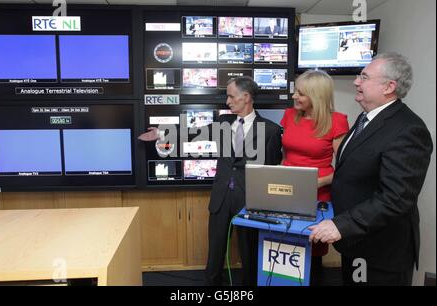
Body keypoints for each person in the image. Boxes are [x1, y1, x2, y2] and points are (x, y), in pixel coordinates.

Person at [139, 76, 282, 286]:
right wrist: (161, 133)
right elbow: (196, 133)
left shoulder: (270, 130)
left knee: (249, 252)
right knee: (215, 250)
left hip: (249, 201)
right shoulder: (224, 122)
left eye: (231, 96)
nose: (227, 101)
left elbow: (271, 169)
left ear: (246, 97)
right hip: (221, 197)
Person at [308, 52, 433, 286]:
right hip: (355, 243)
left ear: (389, 87)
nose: (356, 82)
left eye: (364, 77)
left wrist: (340, 224)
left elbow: (396, 198)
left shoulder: (409, 130)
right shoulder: (367, 118)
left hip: (381, 254)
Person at [280, 69, 349, 285]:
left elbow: (347, 168)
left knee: (312, 250)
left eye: (300, 93)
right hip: (288, 189)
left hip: (318, 193)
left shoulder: (336, 121)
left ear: (316, 96)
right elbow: (285, 154)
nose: (294, 96)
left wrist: (319, 182)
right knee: (284, 245)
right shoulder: (290, 115)